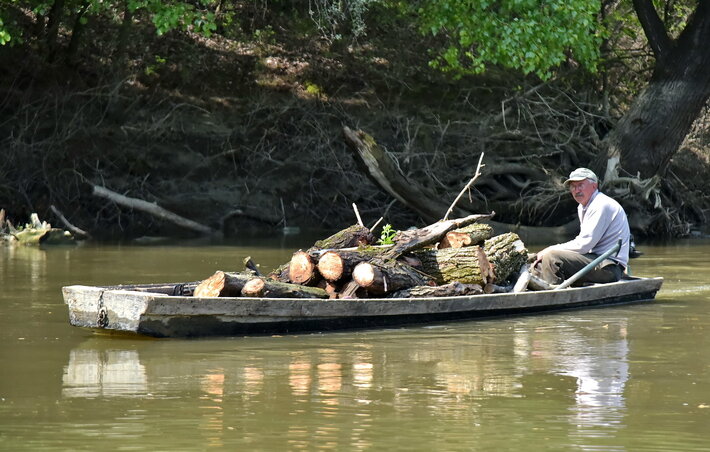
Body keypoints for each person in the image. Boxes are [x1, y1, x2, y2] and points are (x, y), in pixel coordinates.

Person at [532, 168, 630, 286]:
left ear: (594, 186)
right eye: (573, 186)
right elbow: (585, 245)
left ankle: (552, 295)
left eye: (580, 185)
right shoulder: (583, 206)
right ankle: (538, 285)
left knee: (552, 256)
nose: (576, 190)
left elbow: (584, 245)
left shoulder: (600, 205)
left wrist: (552, 248)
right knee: (535, 260)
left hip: (609, 268)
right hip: (595, 260)